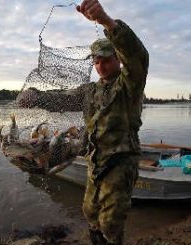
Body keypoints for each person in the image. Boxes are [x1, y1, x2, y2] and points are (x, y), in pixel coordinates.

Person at [17, 0, 148, 244]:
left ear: (118, 59)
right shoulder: (89, 91)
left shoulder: (130, 84)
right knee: (90, 212)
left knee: (111, 222)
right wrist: (35, 97)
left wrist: (107, 22)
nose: (100, 65)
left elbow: (137, 55)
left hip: (120, 162)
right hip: (95, 161)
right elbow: (62, 100)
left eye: (106, 59)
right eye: (96, 61)